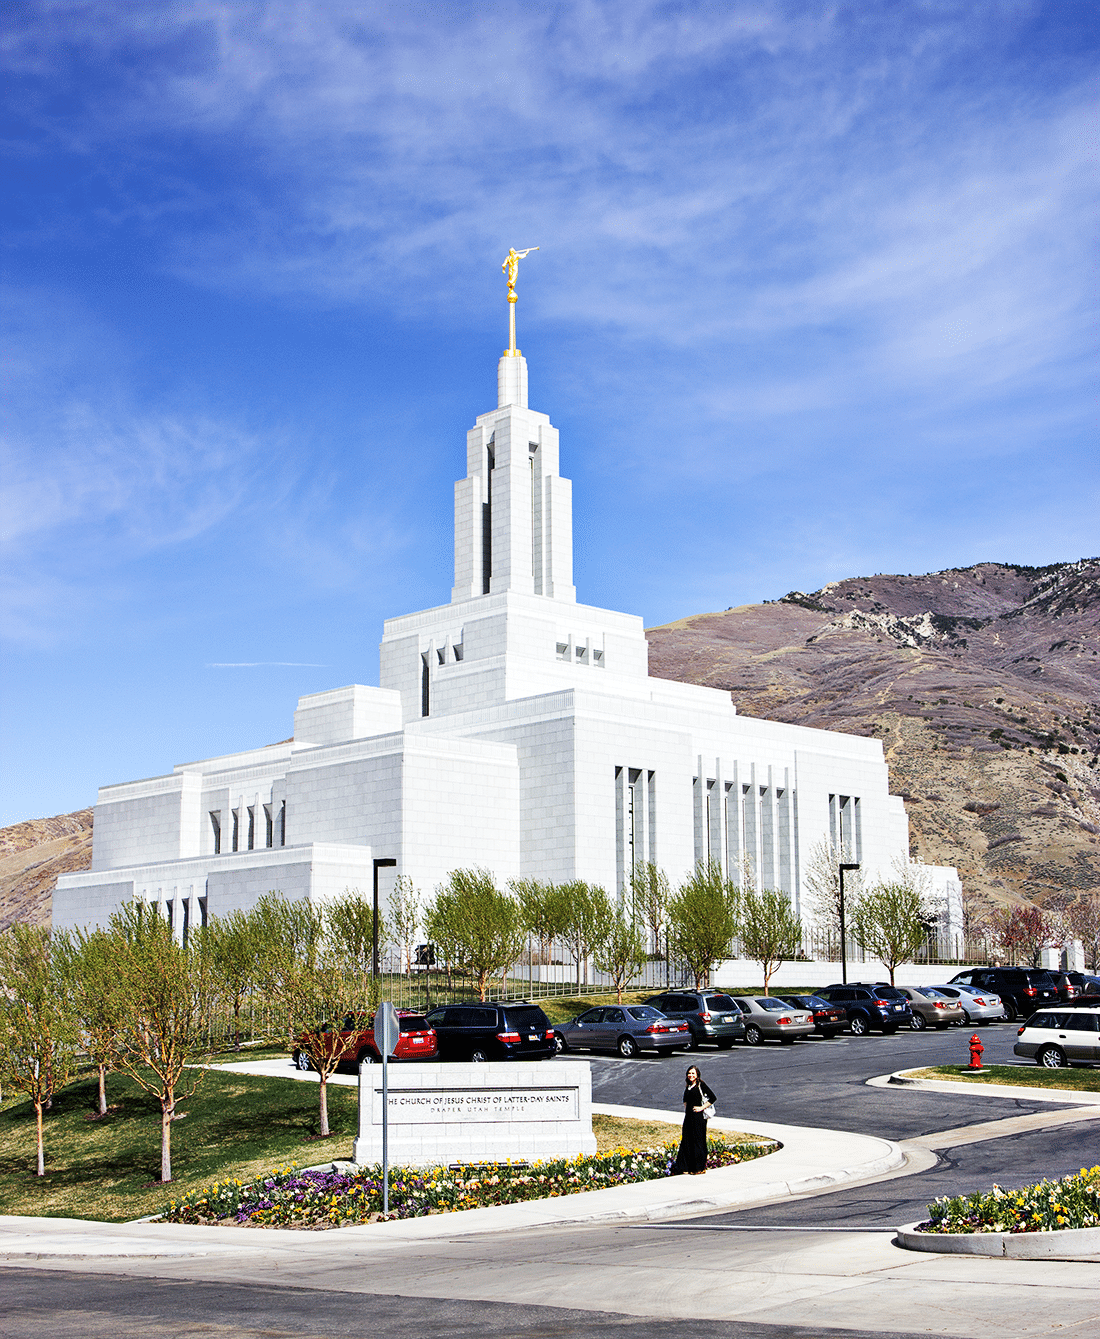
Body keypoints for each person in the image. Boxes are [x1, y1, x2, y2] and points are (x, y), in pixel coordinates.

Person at [674, 1064, 716, 1175]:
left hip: (698, 1119)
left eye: (693, 1073)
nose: (690, 1075)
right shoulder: (688, 1086)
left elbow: (713, 1097)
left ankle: (699, 1167)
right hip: (688, 1118)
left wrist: (701, 1108)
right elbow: (685, 1101)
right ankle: (685, 1167)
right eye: (689, 1073)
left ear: (697, 1075)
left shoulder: (701, 1085)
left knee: (698, 1142)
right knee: (687, 1141)